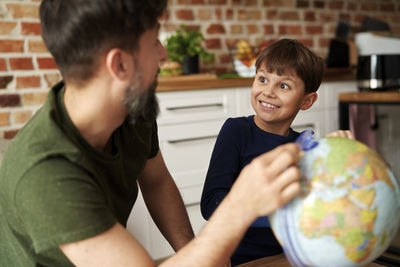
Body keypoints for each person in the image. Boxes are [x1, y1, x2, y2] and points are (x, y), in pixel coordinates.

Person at [0, 1, 304, 266]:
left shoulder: (131, 108)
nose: (164, 53)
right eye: (155, 41)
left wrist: (195, 250)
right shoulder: (44, 171)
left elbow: (156, 182)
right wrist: (241, 206)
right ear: (120, 64)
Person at [201, 39, 354, 266]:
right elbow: (211, 203)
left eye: (283, 86)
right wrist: (279, 215)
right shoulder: (236, 131)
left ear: (307, 100)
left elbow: (324, 203)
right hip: (240, 259)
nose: (268, 92)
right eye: (263, 79)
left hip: (292, 256)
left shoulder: (304, 146)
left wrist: (336, 153)